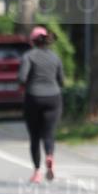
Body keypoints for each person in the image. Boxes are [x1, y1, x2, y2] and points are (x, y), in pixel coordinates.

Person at [18, 25, 65, 184]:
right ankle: (50, 156)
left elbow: (22, 78)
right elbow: (61, 81)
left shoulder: (28, 56)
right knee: (49, 134)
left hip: (34, 98)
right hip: (53, 98)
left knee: (35, 137)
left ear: (32, 41)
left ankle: (37, 172)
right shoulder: (55, 57)